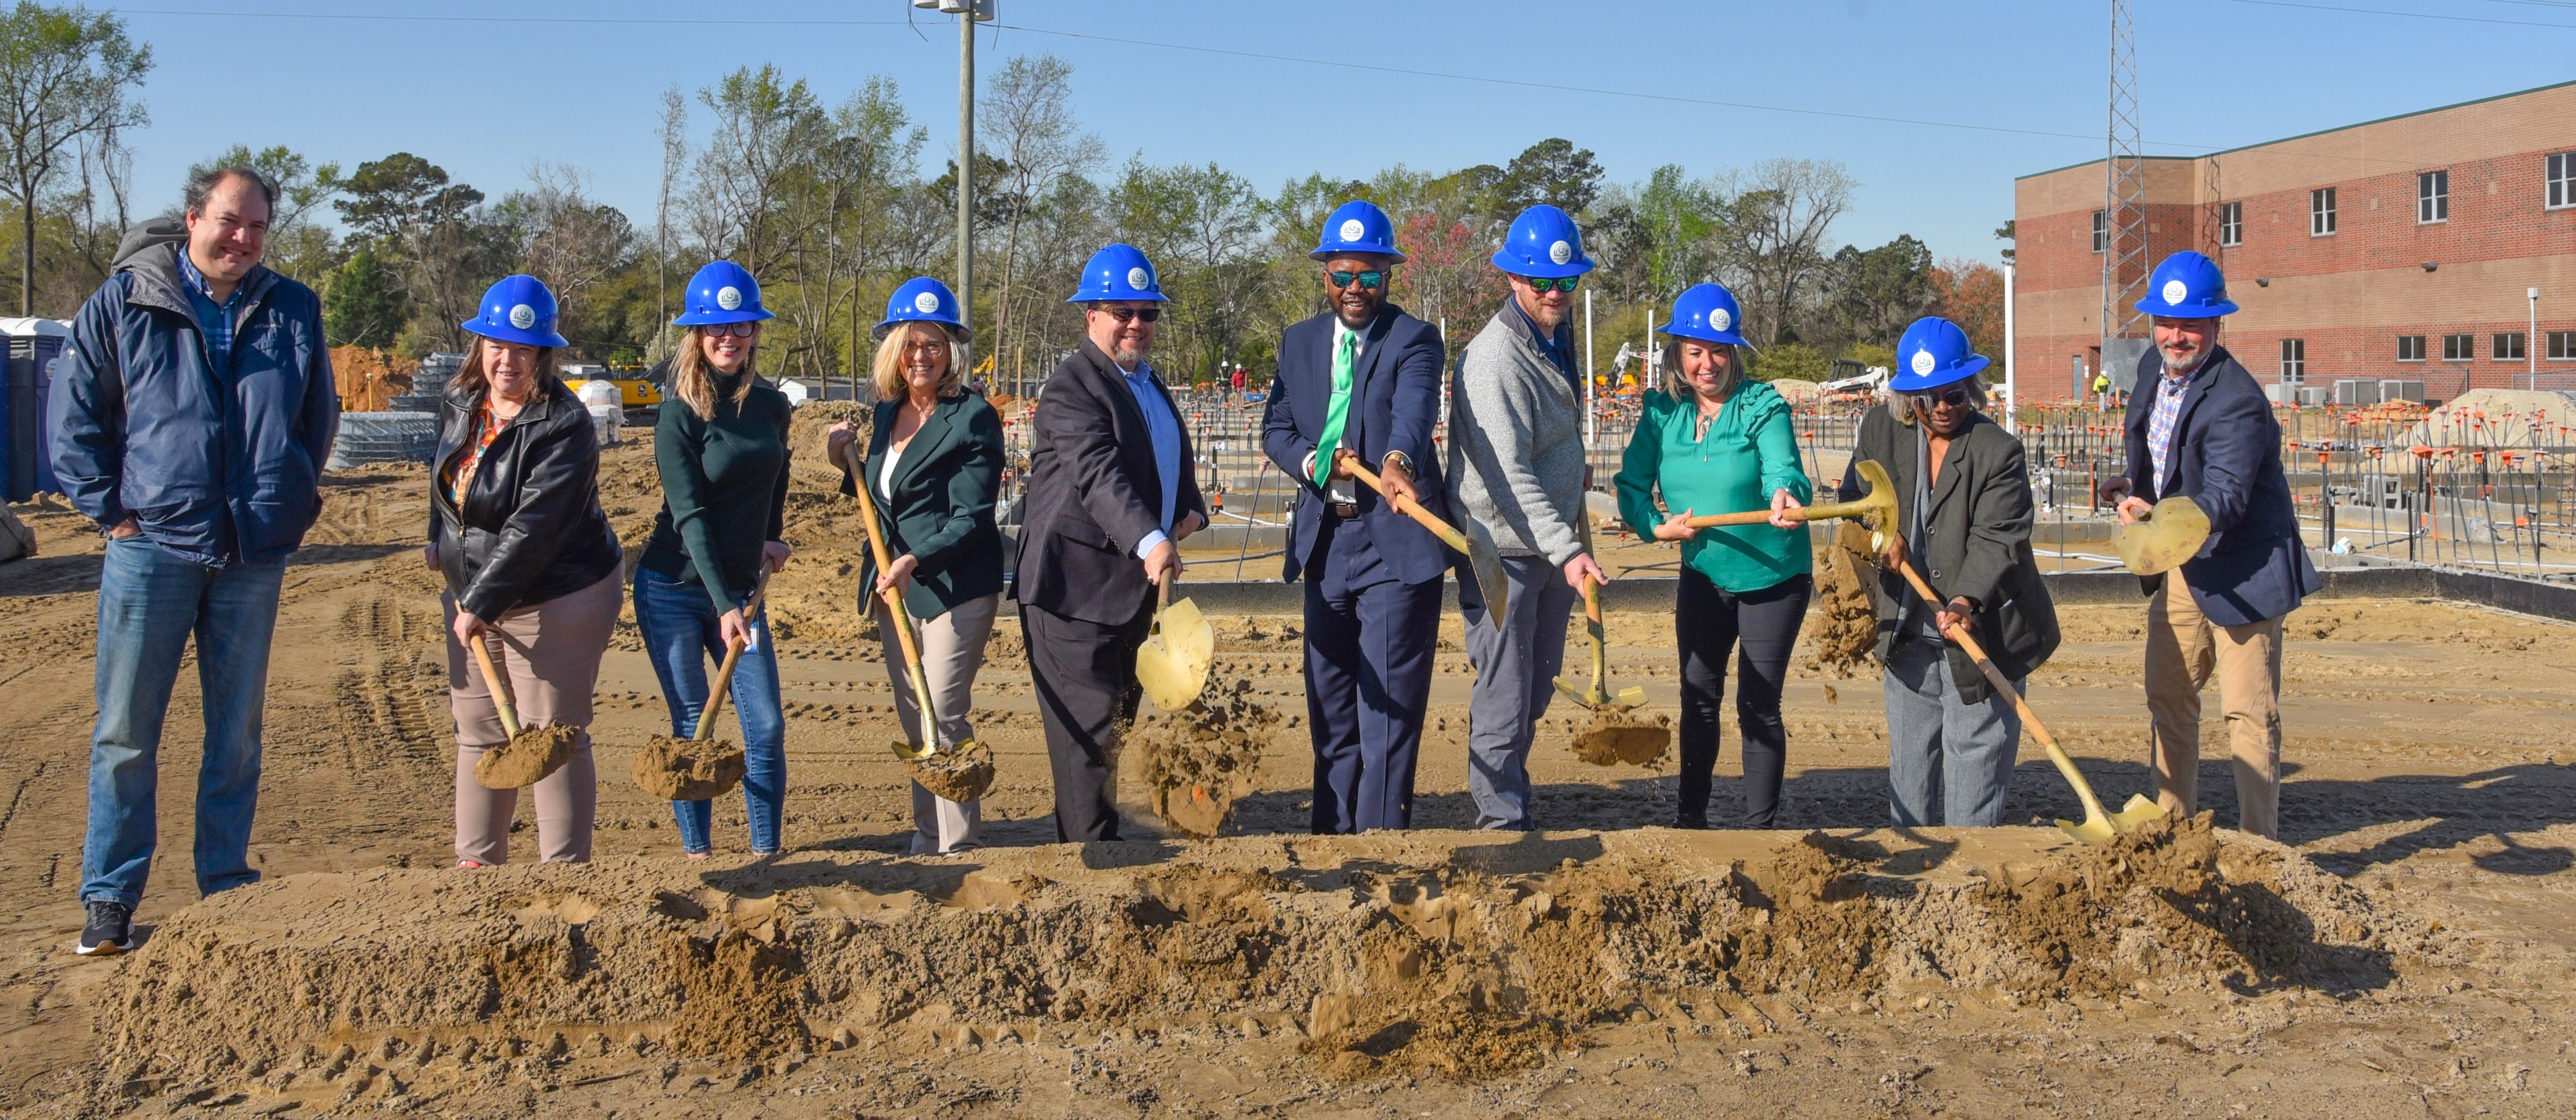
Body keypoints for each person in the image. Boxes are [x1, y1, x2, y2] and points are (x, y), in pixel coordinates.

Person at [50, 167, 338, 955]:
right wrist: (114, 514)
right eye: (228, 221)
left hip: (253, 551)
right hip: (155, 549)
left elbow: (317, 417)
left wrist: (293, 499)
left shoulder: (291, 307)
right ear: (192, 219)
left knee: (236, 732)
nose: (241, 239)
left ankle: (224, 883)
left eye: (255, 227)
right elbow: (73, 417)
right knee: (126, 731)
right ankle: (110, 897)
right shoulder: (126, 301)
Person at [2101, 251, 2317, 840]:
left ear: (2217, 324)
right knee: (2168, 696)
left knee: (2247, 712)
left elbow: (2224, 496)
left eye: (2190, 324)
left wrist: (2161, 515)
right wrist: (2130, 488)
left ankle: (2259, 845)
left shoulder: (2237, 400)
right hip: (2181, 565)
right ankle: (2172, 829)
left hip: (2243, 571)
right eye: (2166, 323)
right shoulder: (2152, 367)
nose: (2176, 336)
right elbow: (2155, 457)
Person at [1262, 201, 1450, 833]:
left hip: (1391, 547)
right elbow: (1277, 429)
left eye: (1368, 276)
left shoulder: (1414, 339)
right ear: (1324, 275)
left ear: (1388, 276)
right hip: (1324, 542)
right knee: (1333, 708)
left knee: (1388, 717)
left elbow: (1414, 411)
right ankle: (1331, 843)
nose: (1354, 289)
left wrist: (1396, 459)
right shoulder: (1299, 342)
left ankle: (1383, 849)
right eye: (1342, 275)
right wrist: (1316, 461)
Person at [1014, 243, 1209, 842]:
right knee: (1088, 738)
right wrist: (1150, 539)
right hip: (1074, 589)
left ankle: (1097, 840)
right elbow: (1098, 473)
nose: (1135, 324)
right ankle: (1090, 863)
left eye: (1146, 313)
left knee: (1114, 728)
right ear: (1090, 316)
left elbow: (1168, 459)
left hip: (1128, 593)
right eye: (1119, 310)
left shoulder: (1148, 384)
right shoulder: (1072, 387)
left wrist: (1190, 512)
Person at [429, 275, 622, 867]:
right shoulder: (464, 400)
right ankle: (477, 865)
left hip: (559, 593)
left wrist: (481, 602)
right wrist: (435, 540)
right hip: (476, 593)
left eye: (522, 347)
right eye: (496, 344)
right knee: (479, 727)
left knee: (550, 735)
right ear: (479, 346)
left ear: (543, 352)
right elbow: (445, 478)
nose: (506, 359)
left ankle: (564, 872)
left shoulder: (564, 424)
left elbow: (534, 530)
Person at [1839, 317, 2061, 828]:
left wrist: (1965, 599)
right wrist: (1878, 532)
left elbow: (1998, 537)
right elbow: (1854, 500)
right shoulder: (1879, 430)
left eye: (1954, 395)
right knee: (1909, 777)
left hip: (1981, 635)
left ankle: (1972, 881)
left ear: (1973, 390)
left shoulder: (1997, 452)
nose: (1941, 407)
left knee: (1973, 778)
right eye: (1927, 397)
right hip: (1909, 639)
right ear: (1907, 399)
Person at [1614, 283, 1812, 829]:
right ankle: (1690, 816)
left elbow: (1783, 467)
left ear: (1735, 353)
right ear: (1676, 352)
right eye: (1696, 350)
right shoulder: (1661, 413)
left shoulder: (1761, 405)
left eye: (1719, 350)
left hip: (1772, 574)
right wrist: (1654, 526)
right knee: (1697, 694)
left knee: (1757, 703)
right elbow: (1630, 485)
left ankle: (1759, 829)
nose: (1708, 363)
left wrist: (1785, 493)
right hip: (1702, 571)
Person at [826, 277, 1005, 854]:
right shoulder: (884, 415)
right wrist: (840, 458)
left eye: (933, 344)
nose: (921, 356)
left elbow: (971, 515)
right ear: (893, 352)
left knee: (944, 712)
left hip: (955, 586)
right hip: (894, 588)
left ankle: (957, 847)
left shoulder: (972, 416)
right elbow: (878, 496)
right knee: (914, 719)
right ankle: (927, 837)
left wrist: (912, 559)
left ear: (951, 349)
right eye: (910, 344)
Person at [1445, 204, 1607, 831]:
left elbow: (1547, 436)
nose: (1554, 294)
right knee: (1506, 695)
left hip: (1545, 547)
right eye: (1540, 281)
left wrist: (1573, 469)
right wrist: (1568, 550)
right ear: (1512, 278)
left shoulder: (1552, 335)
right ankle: (1500, 826)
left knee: (1536, 688)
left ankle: (1511, 792)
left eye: (1566, 283)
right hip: (1502, 553)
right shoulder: (1493, 359)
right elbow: (1507, 474)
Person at [636, 261, 795, 858]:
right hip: (673, 586)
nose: (729, 338)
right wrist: (725, 602)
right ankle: (697, 853)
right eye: (716, 328)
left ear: (755, 331)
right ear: (696, 336)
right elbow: (691, 515)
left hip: (739, 589)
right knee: (692, 724)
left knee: (767, 725)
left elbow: (774, 475)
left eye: (741, 326)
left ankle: (765, 852)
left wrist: (770, 536)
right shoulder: (679, 410)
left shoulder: (773, 406)